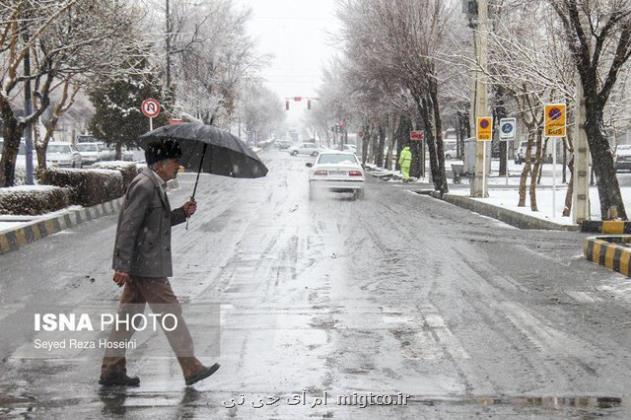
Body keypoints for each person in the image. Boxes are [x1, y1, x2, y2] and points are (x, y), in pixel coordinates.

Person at [99, 140, 220, 387]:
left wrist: (182, 213)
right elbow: (129, 226)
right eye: (175, 162)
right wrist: (121, 265)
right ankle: (191, 367)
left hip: (144, 263)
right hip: (146, 265)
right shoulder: (145, 185)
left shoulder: (153, 184)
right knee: (171, 313)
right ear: (162, 163)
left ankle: (111, 370)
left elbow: (155, 222)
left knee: (127, 319)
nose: (179, 166)